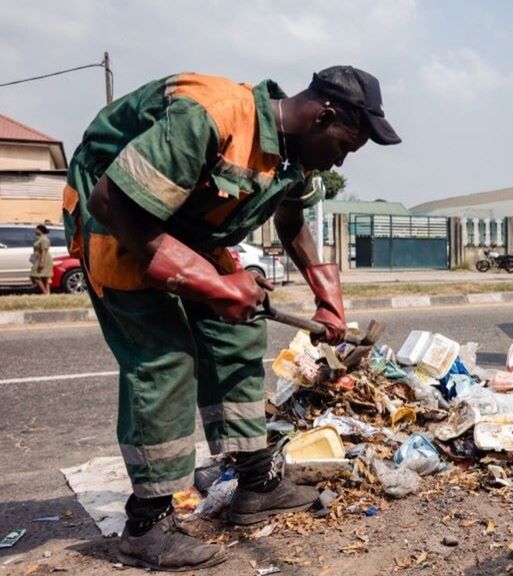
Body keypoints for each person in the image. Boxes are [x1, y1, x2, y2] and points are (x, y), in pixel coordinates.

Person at [62, 66, 400, 571]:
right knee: (166, 357)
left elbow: (292, 223)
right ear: (322, 116)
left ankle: (257, 483)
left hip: (188, 231)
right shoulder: (213, 116)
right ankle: (145, 527)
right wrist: (217, 286)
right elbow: (113, 202)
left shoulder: (292, 155)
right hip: (117, 217)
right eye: (345, 145)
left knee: (238, 333)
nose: (343, 158)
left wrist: (328, 299)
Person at [29, 224, 53, 294]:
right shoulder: (40, 238)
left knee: (35, 275)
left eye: (37, 229)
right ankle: (47, 293)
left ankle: (45, 292)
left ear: (40, 230)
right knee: (44, 277)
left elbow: (44, 251)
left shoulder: (44, 239)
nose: (35, 231)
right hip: (38, 258)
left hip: (43, 258)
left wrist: (42, 261)